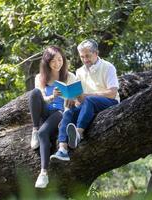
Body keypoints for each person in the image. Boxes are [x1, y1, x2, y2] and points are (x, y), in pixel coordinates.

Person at [50, 39, 120, 162]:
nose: (85, 60)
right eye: (82, 57)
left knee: (89, 100)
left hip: (109, 102)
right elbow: (79, 95)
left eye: (87, 56)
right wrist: (72, 98)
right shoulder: (80, 71)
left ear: (96, 53)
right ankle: (62, 149)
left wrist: (86, 96)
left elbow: (112, 93)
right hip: (88, 105)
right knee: (68, 113)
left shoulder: (108, 67)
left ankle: (79, 133)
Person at [29, 45, 76, 188]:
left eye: (60, 60)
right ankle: (34, 130)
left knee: (45, 133)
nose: (57, 64)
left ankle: (43, 173)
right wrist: (52, 96)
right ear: (47, 62)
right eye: (53, 61)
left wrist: (70, 98)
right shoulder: (40, 77)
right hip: (45, 111)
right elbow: (41, 98)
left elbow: (75, 99)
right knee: (34, 93)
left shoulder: (70, 76)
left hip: (59, 113)